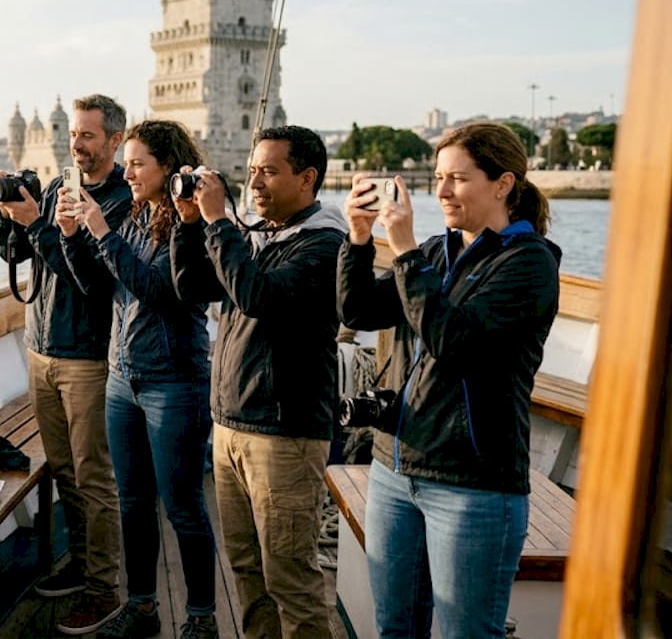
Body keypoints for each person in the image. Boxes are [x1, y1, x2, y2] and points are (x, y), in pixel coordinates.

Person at [336, 122, 560, 638]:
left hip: (472, 486)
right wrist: (359, 238)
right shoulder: (439, 251)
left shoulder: (528, 264)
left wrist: (407, 249)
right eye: (438, 178)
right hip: (396, 469)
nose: (440, 192)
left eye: (457, 179)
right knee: (395, 628)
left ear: (502, 184)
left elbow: (453, 341)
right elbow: (358, 309)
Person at [170, 125, 347, 638]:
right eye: (252, 172)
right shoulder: (260, 235)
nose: (256, 184)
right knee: (247, 569)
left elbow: (257, 297)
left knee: (289, 578)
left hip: (285, 433)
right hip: (232, 424)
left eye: (269, 171)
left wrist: (218, 221)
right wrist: (189, 225)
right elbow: (193, 288)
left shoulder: (322, 245)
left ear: (308, 178)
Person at [60, 119, 219, 639]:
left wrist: (102, 234)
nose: (126, 172)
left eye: (136, 163)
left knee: (183, 506)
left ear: (167, 167)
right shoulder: (134, 215)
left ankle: (201, 618)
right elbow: (95, 284)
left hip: (174, 382)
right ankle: (143, 606)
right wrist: (70, 236)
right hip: (123, 380)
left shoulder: (187, 225)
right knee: (132, 502)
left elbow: (159, 289)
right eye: (125, 162)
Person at [0, 94, 132, 635]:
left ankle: (104, 588)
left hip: (87, 358)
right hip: (41, 348)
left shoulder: (120, 202)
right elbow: (20, 255)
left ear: (115, 141)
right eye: (73, 134)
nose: (77, 144)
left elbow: (91, 282)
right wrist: (12, 217)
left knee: (95, 477)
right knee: (65, 471)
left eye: (89, 136)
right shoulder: (57, 188)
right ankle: (80, 562)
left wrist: (37, 226)